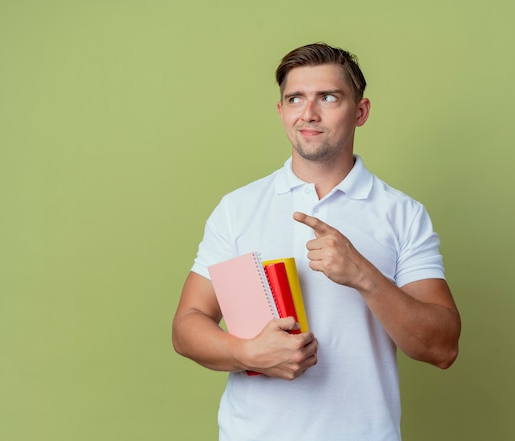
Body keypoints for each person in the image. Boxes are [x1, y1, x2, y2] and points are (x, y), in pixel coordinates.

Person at [172, 42, 461, 441]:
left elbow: (442, 347)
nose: (309, 113)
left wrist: (364, 276)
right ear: (281, 112)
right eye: (295, 98)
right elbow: (186, 326)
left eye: (328, 97)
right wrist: (247, 353)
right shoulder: (238, 208)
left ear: (360, 112)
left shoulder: (403, 214)